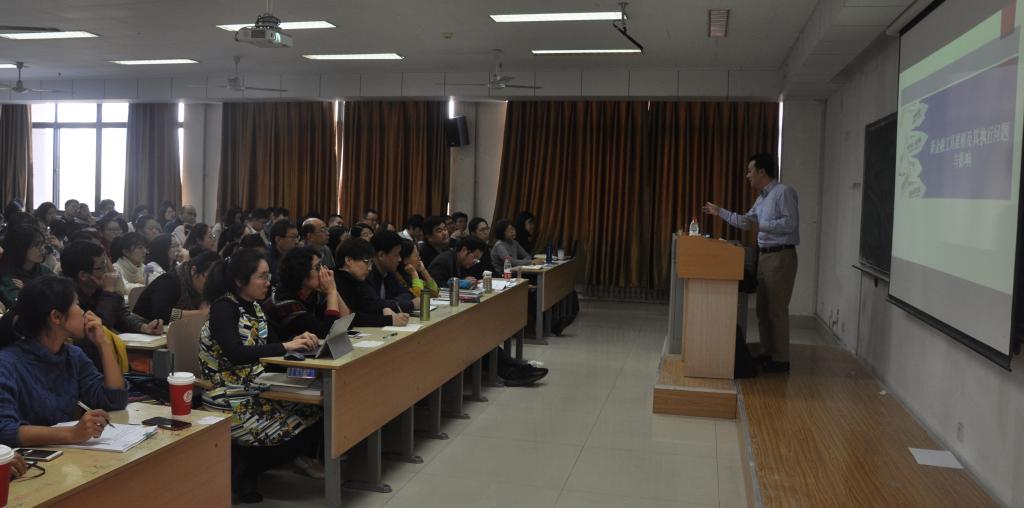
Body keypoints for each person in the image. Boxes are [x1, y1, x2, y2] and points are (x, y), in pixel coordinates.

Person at [199, 248, 323, 501]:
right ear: (240, 280)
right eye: (262, 277)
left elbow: (274, 343)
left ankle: (247, 466)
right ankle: (243, 470)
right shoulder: (224, 308)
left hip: (254, 385)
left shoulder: (255, 306)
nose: (268, 282)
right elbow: (236, 353)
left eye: (269, 276)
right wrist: (287, 346)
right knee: (295, 430)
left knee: (314, 412)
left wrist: (298, 340)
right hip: (227, 394)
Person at [0, 276, 128, 447]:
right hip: (27, 458)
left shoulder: (73, 356)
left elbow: (114, 400)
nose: (83, 312)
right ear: (56, 317)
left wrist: (103, 343)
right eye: (77, 304)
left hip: (66, 454)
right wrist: (71, 433)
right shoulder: (7, 364)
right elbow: (4, 430)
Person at [703, 153, 799, 374]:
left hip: (781, 256)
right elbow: (747, 222)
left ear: (762, 172)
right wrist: (720, 212)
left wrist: (763, 225)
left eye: (750, 171)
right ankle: (767, 353)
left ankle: (781, 360)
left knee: (776, 310)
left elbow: (790, 223)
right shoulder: (762, 198)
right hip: (764, 257)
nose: (747, 175)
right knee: (762, 310)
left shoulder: (783, 192)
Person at [61, 241, 162, 368]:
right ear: (83, 275)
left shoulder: (99, 290)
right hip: (83, 360)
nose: (107, 271)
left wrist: (144, 327)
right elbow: (98, 329)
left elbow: (121, 316)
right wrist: (109, 291)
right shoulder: (67, 298)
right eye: (101, 267)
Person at [263, 246, 350, 340]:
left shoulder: (313, 294)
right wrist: (331, 292)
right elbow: (328, 334)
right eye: (317, 267)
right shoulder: (284, 302)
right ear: (301, 272)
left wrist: (334, 290)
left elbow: (346, 321)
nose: (324, 271)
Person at [333, 239, 410, 327]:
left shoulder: (357, 280)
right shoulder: (335, 281)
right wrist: (389, 320)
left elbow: (370, 305)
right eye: (367, 262)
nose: (370, 268)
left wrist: (383, 310)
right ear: (349, 260)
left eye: (371, 263)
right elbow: (351, 318)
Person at [134, 251, 220, 324]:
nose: (211, 284)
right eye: (209, 278)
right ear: (193, 270)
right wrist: (200, 313)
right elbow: (161, 314)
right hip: (142, 331)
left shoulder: (202, 290)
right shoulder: (170, 281)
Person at [0, 225, 52, 308]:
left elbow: (63, 296)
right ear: (21, 248)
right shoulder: (7, 276)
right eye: (36, 245)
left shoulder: (45, 271)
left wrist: (28, 290)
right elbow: (22, 306)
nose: (42, 249)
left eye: (43, 244)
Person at [367, 231, 416, 313]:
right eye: (396, 255)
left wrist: (390, 303)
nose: (400, 259)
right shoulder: (366, 275)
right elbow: (375, 306)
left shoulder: (389, 273)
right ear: (381, 255)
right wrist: (410, 304)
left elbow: (407, 294)